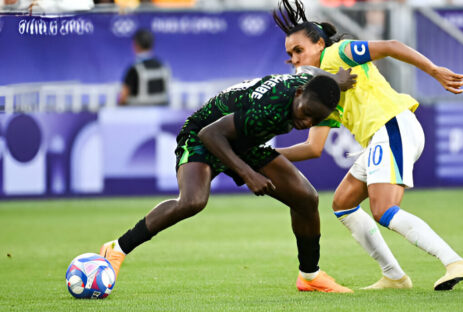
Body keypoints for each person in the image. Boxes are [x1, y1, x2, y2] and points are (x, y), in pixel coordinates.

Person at [273, 0, 463, 291]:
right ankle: (394, 277)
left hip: (392, 125)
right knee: (343, 203)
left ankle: (455, 262)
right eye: (290, 54)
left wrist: (434, 71)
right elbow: (313, 147)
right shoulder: (322, 91)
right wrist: (267, 155)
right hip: (380, 138)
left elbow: (392, 45)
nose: (294, 59)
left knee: (383, 209)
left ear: (319, 44)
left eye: (298, 50)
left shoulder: (337, 53)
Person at [100, 71, 358, 293]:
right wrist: (248, 174)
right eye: (305, 113)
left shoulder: (310, 90)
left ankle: (310, 276)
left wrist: (336, 81)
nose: (306, 122)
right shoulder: (268, 108)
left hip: (243, 139)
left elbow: (317, 79)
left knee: (306, 198)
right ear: (299, 94)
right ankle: (117, 248)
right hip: (204, 136)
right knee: (193, 201)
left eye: (314, 120)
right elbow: (209, 133)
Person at [119, 28, 171, 106]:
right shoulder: (163, 66)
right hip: (161, 112)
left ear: (136, 45)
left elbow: (123, 97)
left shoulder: (135, 69)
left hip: (138, 113)